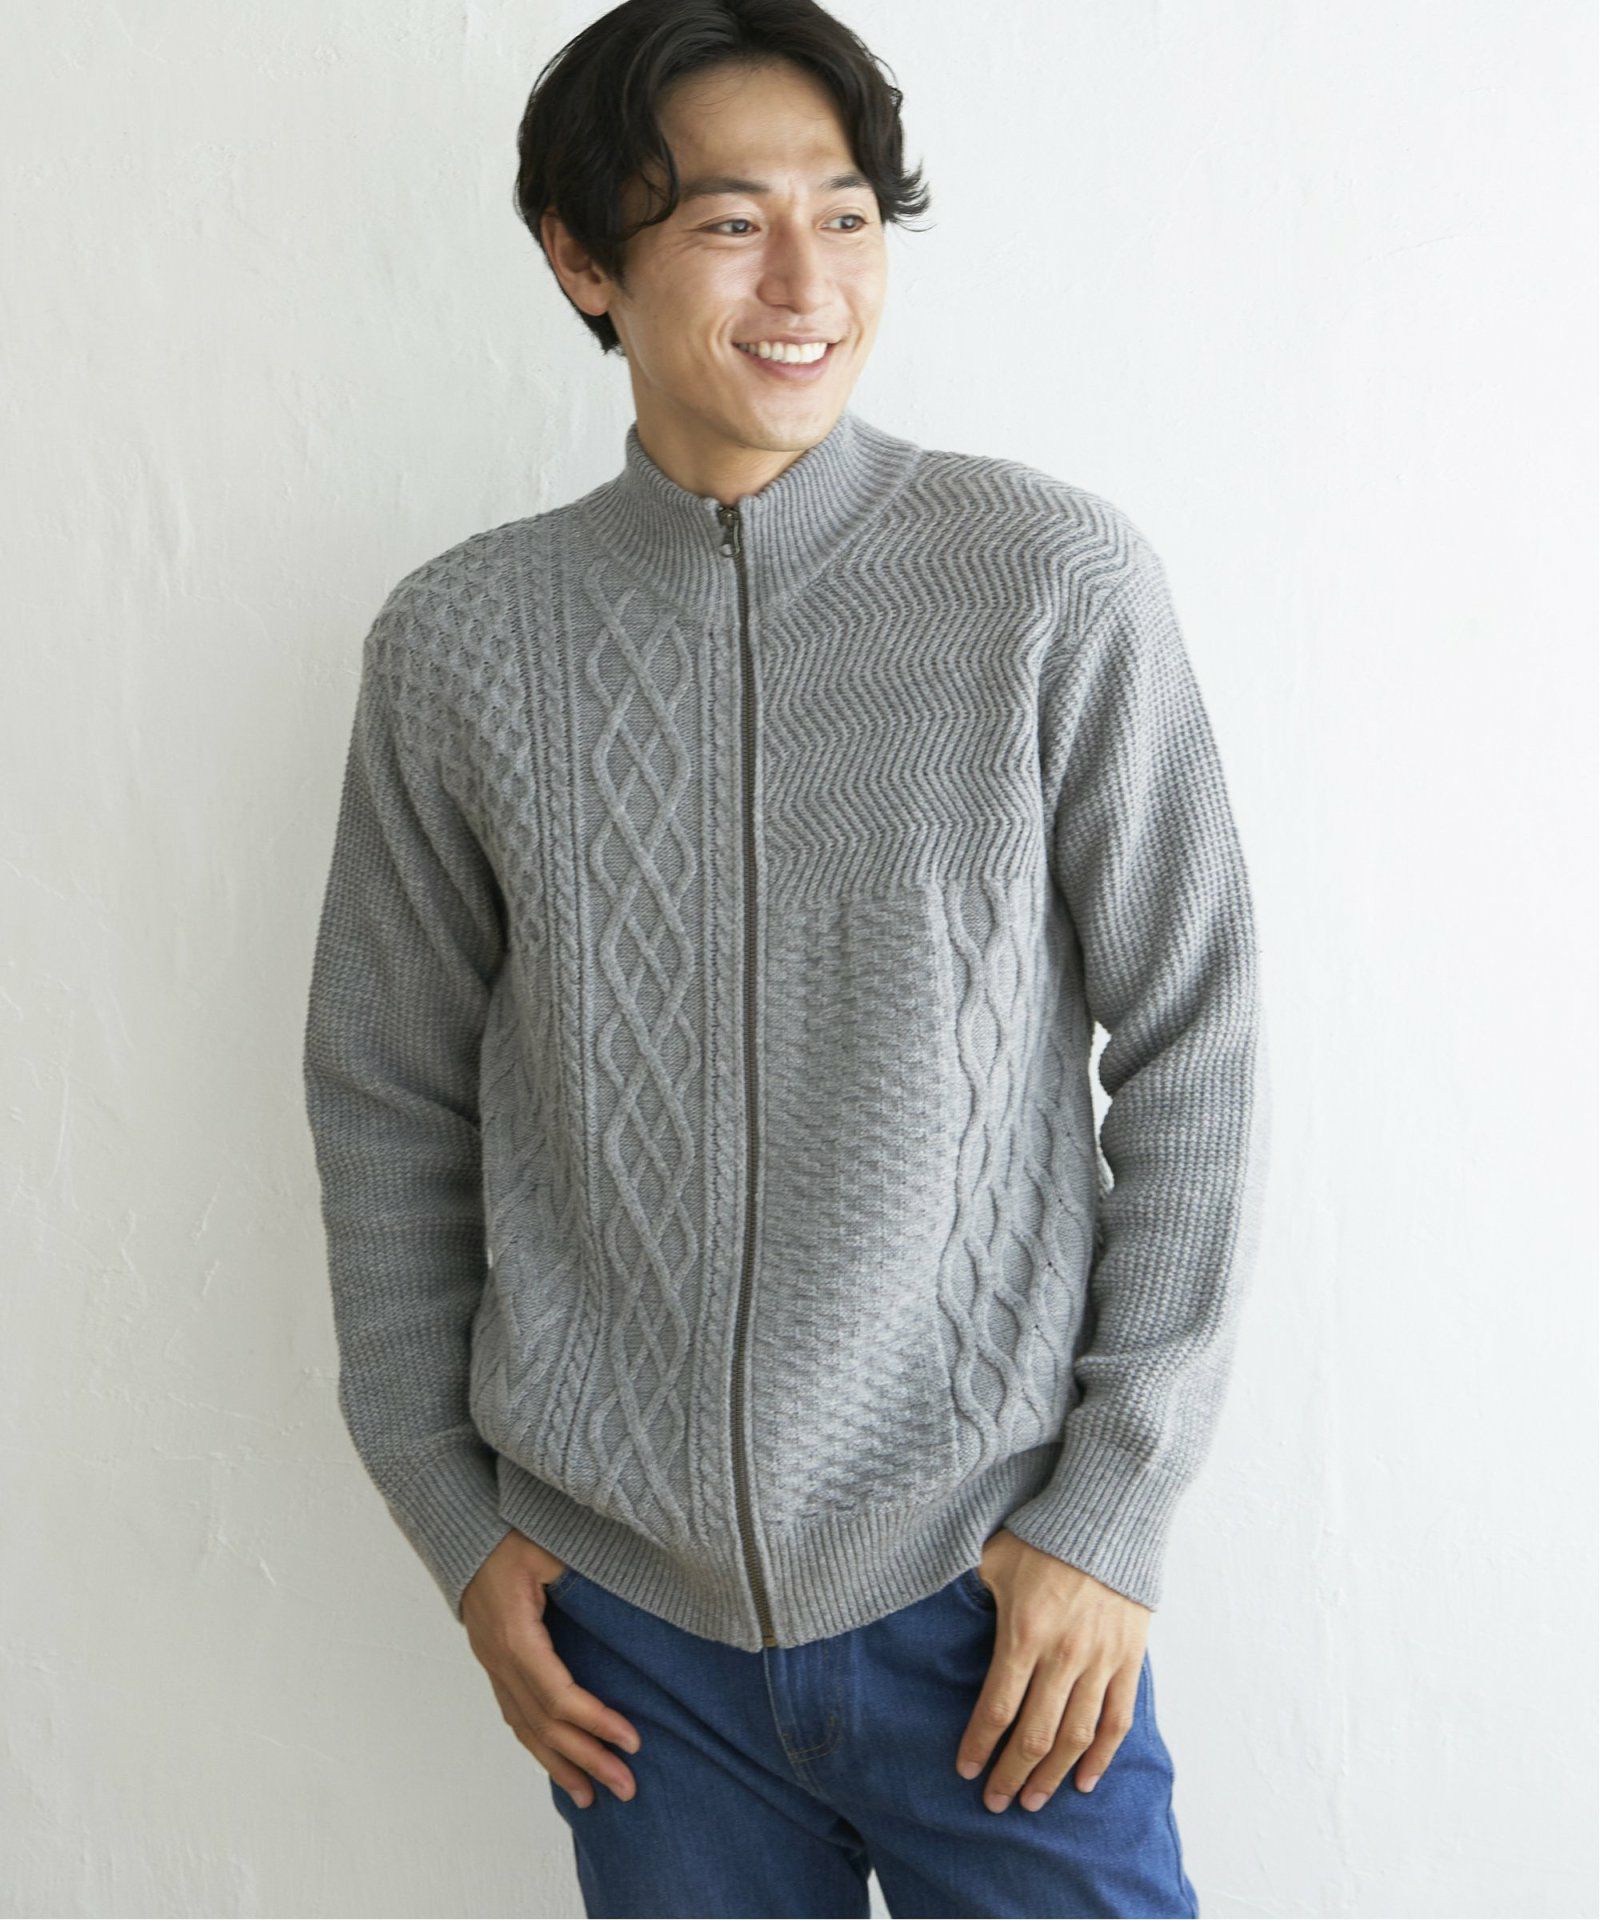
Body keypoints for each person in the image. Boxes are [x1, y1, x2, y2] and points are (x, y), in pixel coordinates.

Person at [301, 3, 1271, 1913]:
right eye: (731, 224)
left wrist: (1111, 1511)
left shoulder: (1047, 583)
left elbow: (1199, 1041)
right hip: (634, 1650)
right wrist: (453, 1521)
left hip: (993, 1611)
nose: (807, 284)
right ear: (585, 258)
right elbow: (384, 1097)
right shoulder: (457, 648)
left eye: (847, 215)